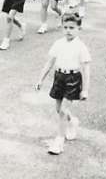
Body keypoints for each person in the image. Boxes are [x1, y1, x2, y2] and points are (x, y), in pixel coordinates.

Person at [35, 12, 91, 155]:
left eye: (72, 28)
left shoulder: (81, 46)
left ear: (79, 28)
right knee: (59, 109)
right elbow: (49, 62)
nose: (68, 30)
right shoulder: (58, 43)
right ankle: (72, 121)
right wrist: (40, 79)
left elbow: (86, 69)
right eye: (65, 27)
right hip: (59, 77)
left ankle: (59, 141)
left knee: (63, 112)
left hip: (73, 79)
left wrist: (85, 90)